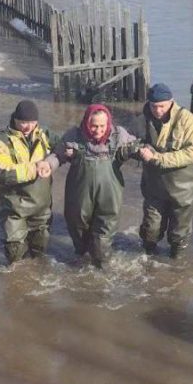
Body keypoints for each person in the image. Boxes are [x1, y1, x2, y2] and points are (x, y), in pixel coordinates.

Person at [54, 104, 140, 268]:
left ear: (108, 123)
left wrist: (143, 152)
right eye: (94, 126)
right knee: (77, 225)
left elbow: (137, 147)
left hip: (109, 194)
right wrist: (47, 165)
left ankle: (101, 268)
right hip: (80, 193)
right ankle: (82, 261)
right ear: (86, 122)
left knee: (103, 237)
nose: (98, 130)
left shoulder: (118, 134)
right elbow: (57, 155)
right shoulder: (74, 135)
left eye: (102, 126)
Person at [0, 100, 61, 264]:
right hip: (14, 208)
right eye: (23, 122)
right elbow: (1, 173)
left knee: (39, 252)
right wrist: (34, 169)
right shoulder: (2, 141)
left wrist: (50, 163)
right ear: (15, 119)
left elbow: (63, 147)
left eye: (31, 122)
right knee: (15, 256)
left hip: (41, 207)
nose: (27, 126)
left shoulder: (44, 134)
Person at [137, 83, 193, 258]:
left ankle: (177, 263)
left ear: (171, 102)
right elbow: (132, 139)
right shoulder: (143, 118)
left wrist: (158, 158)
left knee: (178, 233)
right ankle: (148, 259)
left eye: (161, 106)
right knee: (150, 229)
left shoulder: (189, 120)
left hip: (182, 189)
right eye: (153, 106)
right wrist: (138, 150)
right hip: (154, 187)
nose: (157, 111)